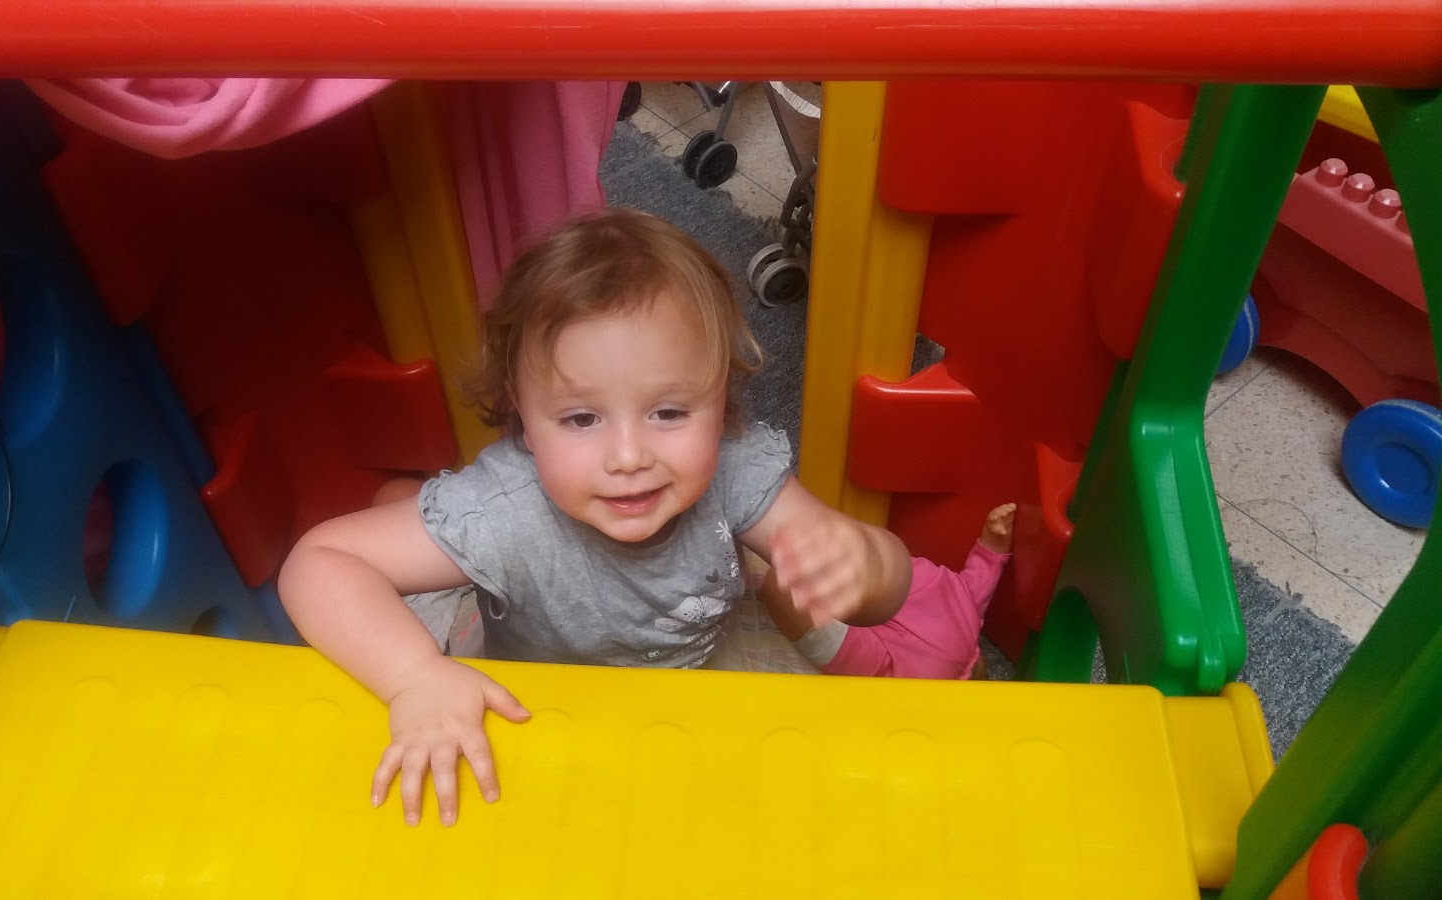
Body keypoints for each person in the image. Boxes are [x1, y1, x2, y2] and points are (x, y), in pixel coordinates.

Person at [278, 207, 913, 828]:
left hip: (692, 689)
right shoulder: (504, 512)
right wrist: (415, 677)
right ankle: (413, 512)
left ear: (721, 397)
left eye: (669, 412)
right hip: (542, 708)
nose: (629, 458)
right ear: (521, 414)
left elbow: (885, 596)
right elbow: (322, 560)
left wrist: (865, 566)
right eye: (581, 418)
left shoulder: (735, 468)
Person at [762, 504, 1016, 680]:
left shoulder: (968, 610)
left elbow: (985, 568)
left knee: (846, 645)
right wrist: (995, 538)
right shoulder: (970, 608)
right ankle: (790, 588)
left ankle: (789, 589)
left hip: (894, 652)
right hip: (879, 586)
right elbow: (986, 567)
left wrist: (995, 539)